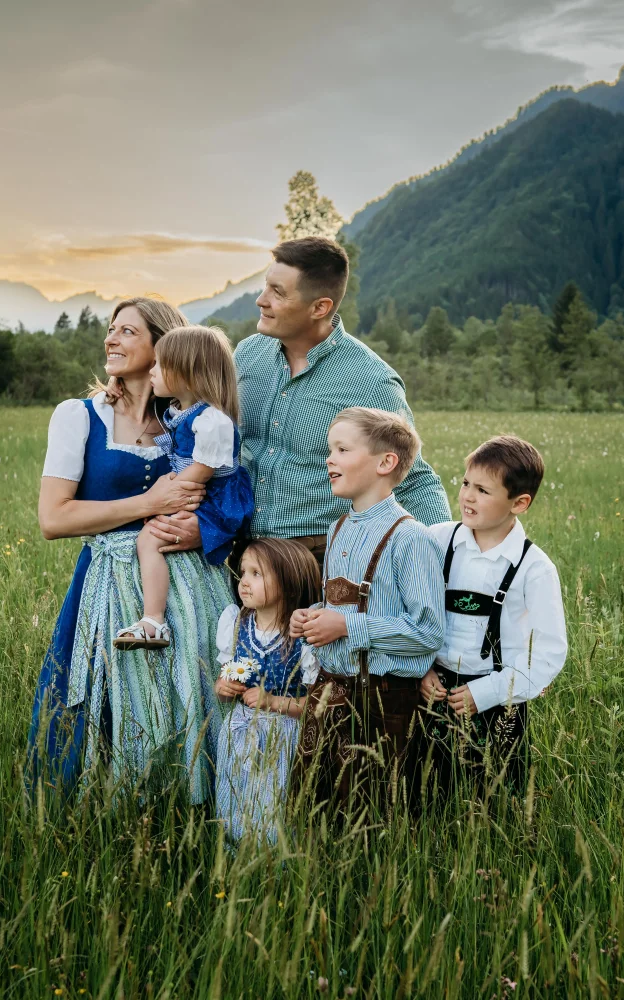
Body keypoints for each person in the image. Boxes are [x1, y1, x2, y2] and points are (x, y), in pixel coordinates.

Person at [26, 297, 232, 807]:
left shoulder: (190, 421)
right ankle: (98, 813)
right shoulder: (79, 417)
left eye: (127, 331)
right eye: (110, 330)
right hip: (107, 580)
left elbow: (228, 494)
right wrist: (148, 502)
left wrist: (199, 531)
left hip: (192, 584)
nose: (110, 340)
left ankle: (189, 812)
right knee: (96, 703)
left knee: (190, 698)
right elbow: (54, 519)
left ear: (163, 346)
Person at [142, 236, 451, 567]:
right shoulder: (247, 355)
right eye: (265, 286)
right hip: (240, 558)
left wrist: (444, 567)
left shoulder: (371, 381)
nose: (261, 300)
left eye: (278, 293)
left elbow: (412, 478)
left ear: (320, 307)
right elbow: (191, 409)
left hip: (318, 563)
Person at [290, 407, 445, 818]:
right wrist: (313, 616)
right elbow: (341, 604)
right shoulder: (339, 527)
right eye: (330, 449)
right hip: (328, 692)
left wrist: (345, 625)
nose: (329, 459)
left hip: (381, 699)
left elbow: (427, 631)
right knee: (314, 805)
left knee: (368, 810)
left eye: (342, 449)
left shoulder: (410, 537)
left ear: (385, 462)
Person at [419, 435, 566, 796]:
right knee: (425, 793)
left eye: (483, 491)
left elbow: (547, 653)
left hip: (498, 701)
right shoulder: (435, 540)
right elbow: (407, 609)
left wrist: (487, 692)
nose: (467, 496)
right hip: (431, 691)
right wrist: (421, 667)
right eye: (466, 483)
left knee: (491, 799)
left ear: (519, 503)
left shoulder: (534, 569)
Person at [115, 326, 254, 649]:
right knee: (152, 535)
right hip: (196, 492)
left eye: (159, 365)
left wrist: (162, 500)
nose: (151, 371)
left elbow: (201, 474)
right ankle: (155, 616)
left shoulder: (212, 421)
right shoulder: (182, 411)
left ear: (188, 373)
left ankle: (154, 620)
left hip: (214, 499)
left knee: (149, 538)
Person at [212, 538, 321, 844]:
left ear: (287, 583)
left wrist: (273, 701)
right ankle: (234, 850)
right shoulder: (236, 624)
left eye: (256, 574)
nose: (243, 582)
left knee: (271, 801)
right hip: (239, 730)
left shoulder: (303, 637)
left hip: (281, 736)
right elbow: (225, 681)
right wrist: (224, 686)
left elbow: (316, 704)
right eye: (242, 572)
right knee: (236, 793)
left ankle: (273, 859)